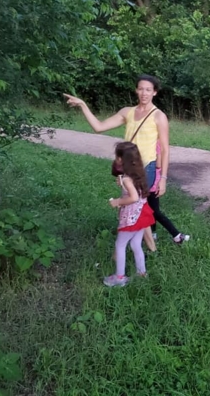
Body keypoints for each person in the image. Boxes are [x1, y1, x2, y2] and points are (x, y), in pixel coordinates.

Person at [63, 75, 190, 244]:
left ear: (155, 93)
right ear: (136, 90)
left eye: (148, 90)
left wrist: (164, 179)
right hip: (128, 169)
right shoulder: (127, 112)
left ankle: (144, 244)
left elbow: (165, 150)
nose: (144, 93)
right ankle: (150, 240)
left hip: (148, 168)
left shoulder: (159, 116)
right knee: (143, 206)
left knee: (137, 205)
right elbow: (99, 127)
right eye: (141, 89)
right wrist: (83, 105)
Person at [105, 142, 155, 287]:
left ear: (121, 159)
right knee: (135, 244)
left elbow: (133, 197)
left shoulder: (127, 179)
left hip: (131, 217)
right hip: (142, 214)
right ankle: (141, 273)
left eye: (117, 156)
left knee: (120, 245)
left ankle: (119, 278)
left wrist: (118, 201)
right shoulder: (138, 173)